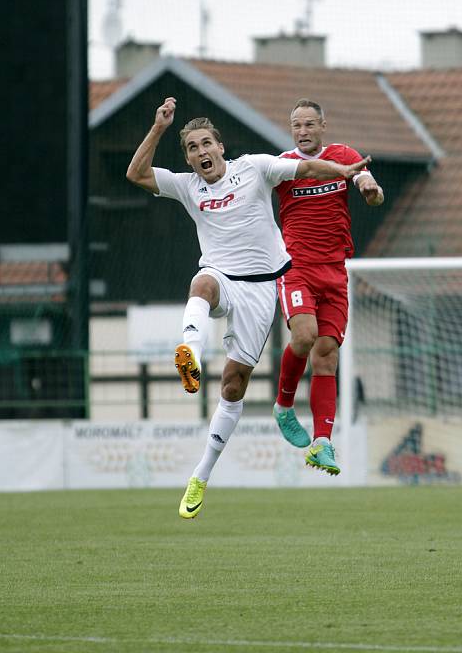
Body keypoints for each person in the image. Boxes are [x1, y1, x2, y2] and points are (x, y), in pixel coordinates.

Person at [126, 97, 371, 518]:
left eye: (206, 144)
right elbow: (136, 173)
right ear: (187, 157)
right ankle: (190, 353)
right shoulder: (188, 186)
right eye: (192, 148)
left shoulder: (254, 167)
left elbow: (307, 167)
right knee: (201, 283)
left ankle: (200, 475)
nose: (201, 153)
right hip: (221, 278)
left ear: (220, 147)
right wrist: (159, 128)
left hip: (259, 292)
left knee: (234, 387)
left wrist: (347, 172)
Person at [273, 98, 384, 475]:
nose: (302, 131)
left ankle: (322, 443)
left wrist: (370, 187)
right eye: (296, 125)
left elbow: (361, 175)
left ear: (323, 126)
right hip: (296, 267)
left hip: (335, 272)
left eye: (308, 125)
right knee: (303, 336)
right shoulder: (285, 164)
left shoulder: (343, 154)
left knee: (327, 356)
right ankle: (284, 406)